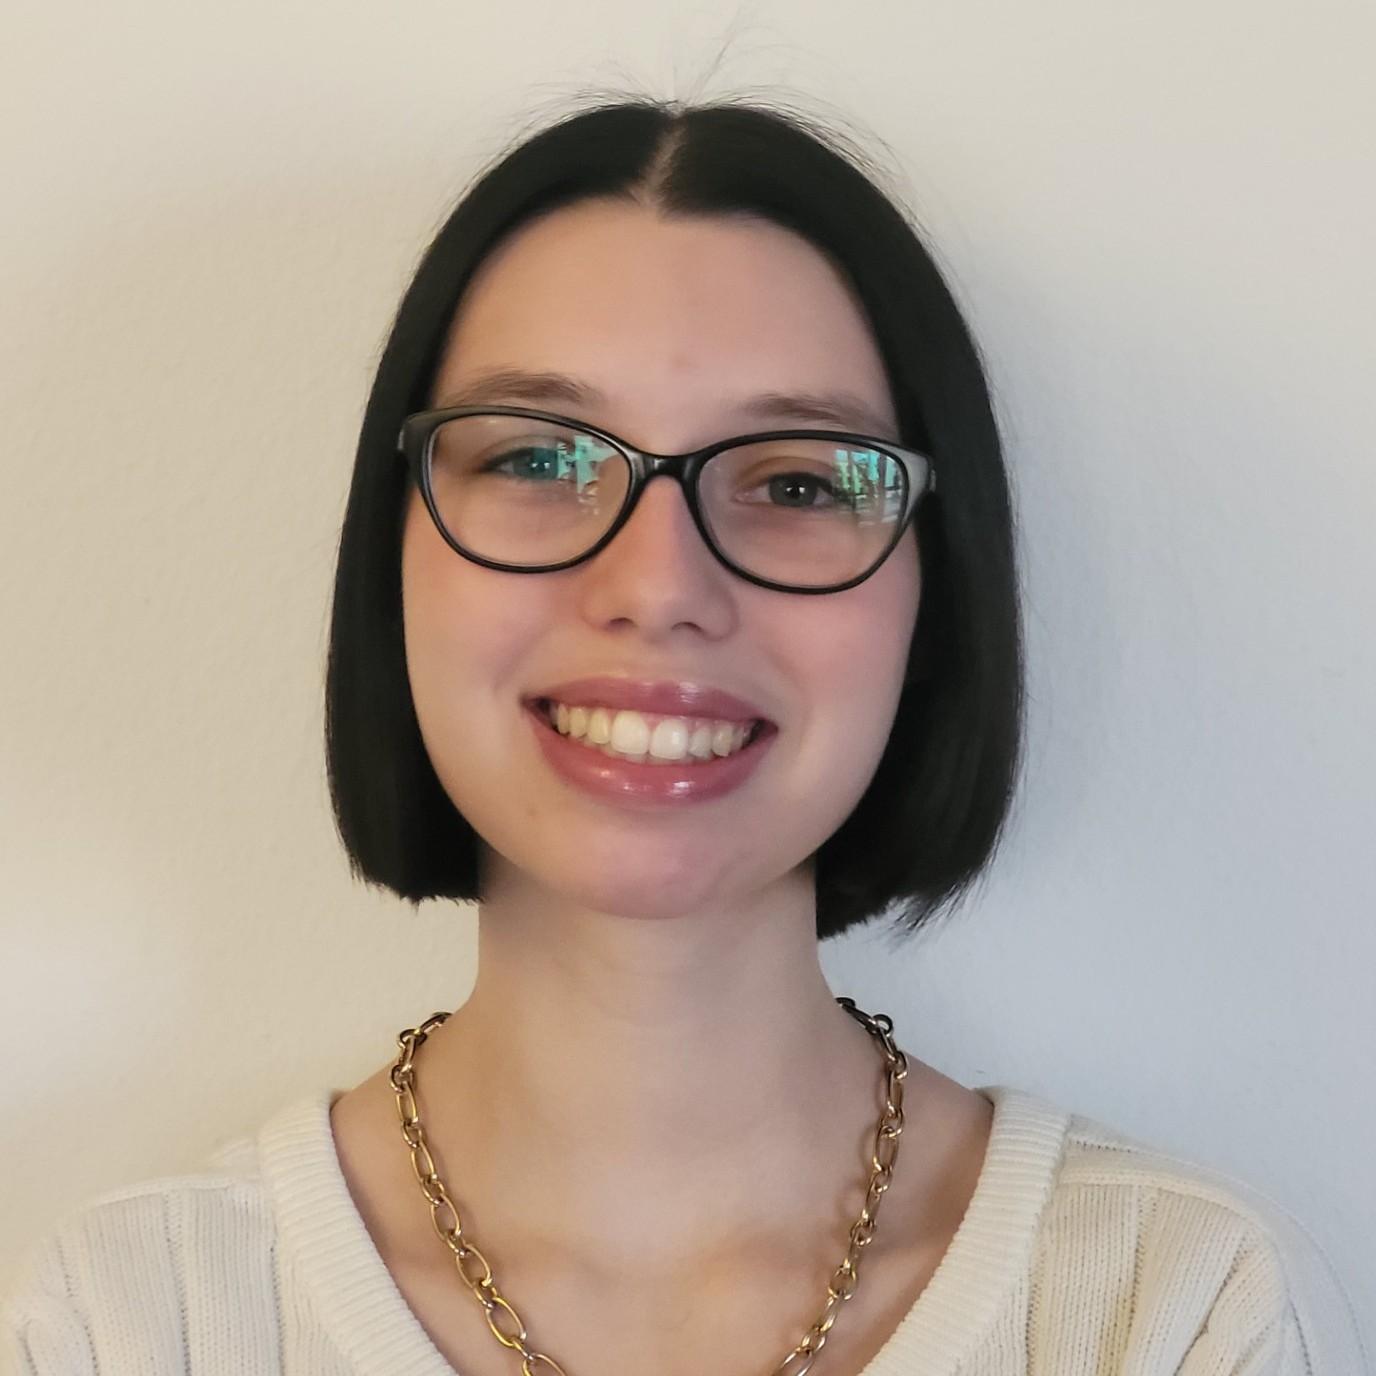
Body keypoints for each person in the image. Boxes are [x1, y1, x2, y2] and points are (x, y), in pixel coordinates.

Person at [2, 100, 1366, 1376]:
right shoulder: (131, 1320)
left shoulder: (1181, 1310)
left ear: (931, 597)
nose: (657, 587)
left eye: (796, 482)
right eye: (538, 458)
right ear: (393, 558)